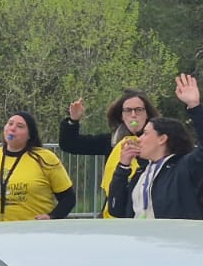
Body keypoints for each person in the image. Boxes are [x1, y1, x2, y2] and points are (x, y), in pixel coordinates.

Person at [106, 74, 203, 219]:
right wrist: (123, 168)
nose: (139, 139)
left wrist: (194, 107)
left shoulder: (183, 167)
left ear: (162, 139)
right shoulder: (141, 172)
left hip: (171, 240)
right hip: (139, 239)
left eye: (145, 134)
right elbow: (115, 208)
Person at [59, 89, 159, 217]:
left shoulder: (159, 142)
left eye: (139, 110)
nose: (133, 115)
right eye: (128, 110)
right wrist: (73, 120)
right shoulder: (111, 141)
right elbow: (70, 144)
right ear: (121, 116)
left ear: (147, 114)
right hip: (114, 211)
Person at [0, 111, 76, 222]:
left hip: (34, 230)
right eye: (10, 124)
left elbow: (68, 198)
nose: (12, 128)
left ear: (30, 135)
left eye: (20, 126)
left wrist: (52, 216)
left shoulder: (45, 157)